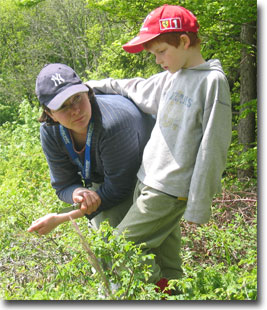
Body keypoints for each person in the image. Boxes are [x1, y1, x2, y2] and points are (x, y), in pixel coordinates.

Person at [87, 4, 232, 293]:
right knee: (167, 263)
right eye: (154, 54)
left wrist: (198, 205)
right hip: (147, 180)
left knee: (119, 248)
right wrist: (87, 87)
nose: (157, 60)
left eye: (161, 51)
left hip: (169, 189)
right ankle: (173, 295)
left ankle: (146, 295)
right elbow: (132, 87)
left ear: (184, 41)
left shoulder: (211, 82)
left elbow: (213, 148)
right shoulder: (171, 77)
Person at [27, 63, 154, 235]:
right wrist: (77, 192)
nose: (75, 110)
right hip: (113, 176)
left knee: (140, 243)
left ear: (87, 92)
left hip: (150, 173)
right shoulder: (50, 131)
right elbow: (63, 185)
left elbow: (118, 189)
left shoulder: (113, 124)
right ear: (50, 114)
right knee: (108, 240)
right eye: (63, 106)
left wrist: (61, 218)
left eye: (77, 98)